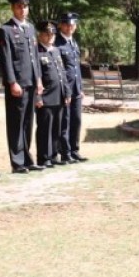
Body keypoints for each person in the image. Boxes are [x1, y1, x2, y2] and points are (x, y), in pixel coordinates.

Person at [0, 0, 40, 173]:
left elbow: (34, 57)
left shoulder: (30, 29)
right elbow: (5, 59)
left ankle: (27, 157)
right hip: (17, 83)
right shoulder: (5, 30)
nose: (22, 10)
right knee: (16, 122)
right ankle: (17, 161)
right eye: (19, 6)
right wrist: (12, 81)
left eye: (25, 6)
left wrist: (38, 78)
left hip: (30, 81)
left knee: (28, 122)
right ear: (13, 8)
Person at [33, 21, 69, 168]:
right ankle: (44, 157)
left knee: (56, 128)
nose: (50, 37)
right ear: (40, 35)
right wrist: (38, 97)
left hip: (58, 96)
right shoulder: (36, 52)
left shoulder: (56, 51)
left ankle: (54, 155)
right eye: (47, 34)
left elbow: (62, 74)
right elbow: (36, 76)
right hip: (46, 97)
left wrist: (66, 92)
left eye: (52, 34)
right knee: (44, 129)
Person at [54, 11, 85, 163]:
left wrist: (81, 88)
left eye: (72, 24)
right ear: (61, 25)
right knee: (65, 121)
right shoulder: (57, 44)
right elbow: (60, 70)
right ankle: (65, 152)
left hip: (76, 88)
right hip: (65, 89)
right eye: (66, 24)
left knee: (76, 120)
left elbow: (76, 68)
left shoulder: (74, 43)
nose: (69, 27)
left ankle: (74, 149)